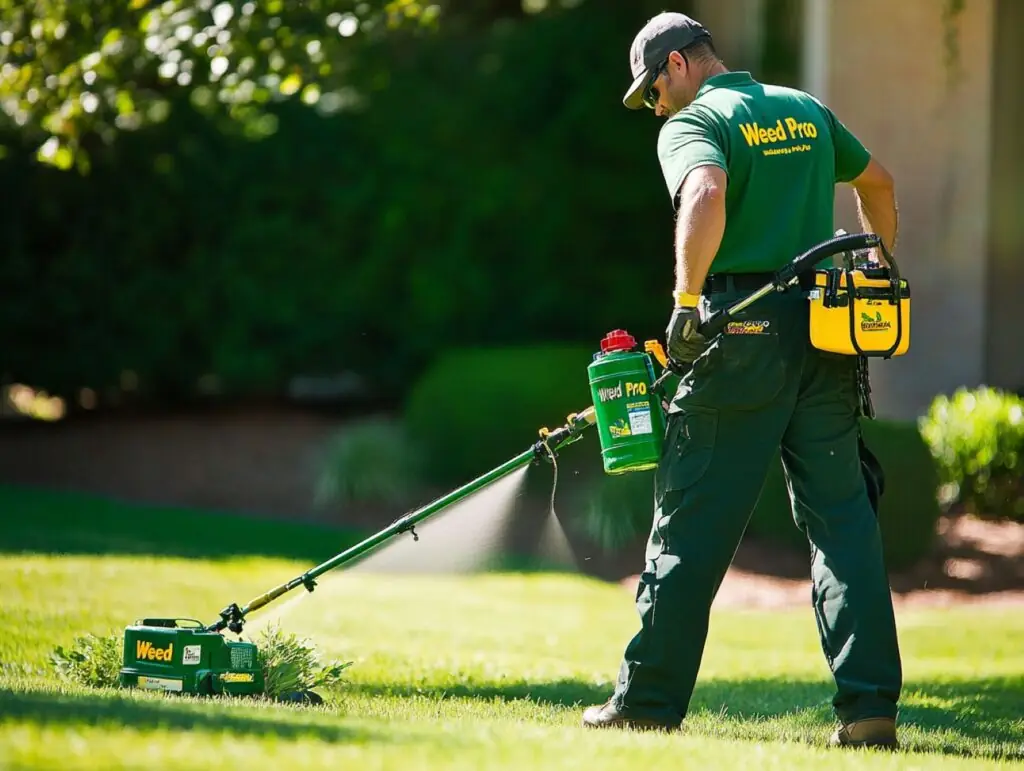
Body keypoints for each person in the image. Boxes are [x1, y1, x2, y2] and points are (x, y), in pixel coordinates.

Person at [581, 11, 904, 750]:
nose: (655, 109)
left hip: (741, 336)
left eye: (653, 92)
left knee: (691, 519)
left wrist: (685, 302)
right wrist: (879, 266)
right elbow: (879, 183)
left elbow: (705, 194)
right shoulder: (803, 109)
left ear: (676, 65)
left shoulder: (696, 122)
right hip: (826, 336)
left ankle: (647, 701)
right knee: (843, 524)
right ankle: (869, 709)